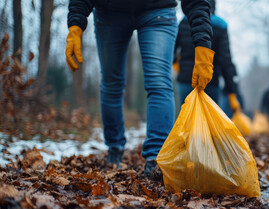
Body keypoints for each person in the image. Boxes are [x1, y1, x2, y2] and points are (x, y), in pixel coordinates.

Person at [66, 0, 215, 175]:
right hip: (109, 10)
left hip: (158, 8)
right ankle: (114, 149)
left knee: (159, 81)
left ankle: (157, 158)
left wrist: (203, 42)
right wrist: (76, 22)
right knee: (111, 83)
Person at [174, 0, 240, 112]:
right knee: (209, 123)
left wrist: (176, 64)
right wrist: (231, 91)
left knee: (186, 121)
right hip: (210, 81)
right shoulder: (221, 26)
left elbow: (173, 49)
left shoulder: (184, 22)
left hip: (185, 80)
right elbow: (225, 60)